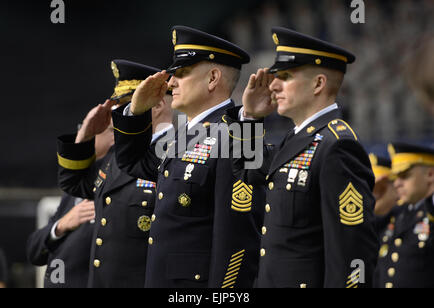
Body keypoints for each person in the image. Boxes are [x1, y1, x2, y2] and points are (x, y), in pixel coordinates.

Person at [224, 27, 379, 288]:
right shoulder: (297, 138)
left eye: (285, 76)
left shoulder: (336, 146)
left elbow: (352, 251)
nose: (273, 85)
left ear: (318, 83)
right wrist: (249, 118)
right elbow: (249, 170)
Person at [111, 26, 264, 288]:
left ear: (213, 77)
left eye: (181, 74)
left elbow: (236, 240)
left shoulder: (238, 137)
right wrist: (135, 112)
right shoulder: (184, 136)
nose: (171, 83)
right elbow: (132, 163)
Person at [56, 60, 173, 288]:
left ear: (157, 104)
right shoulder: (115, 155)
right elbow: (74, 185)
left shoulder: (174, 153)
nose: (115, 114)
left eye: (126, 106)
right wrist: (85, 136)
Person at [26, 105, 114, 288]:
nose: (83, 133)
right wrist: (61, 225)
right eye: (82, 127)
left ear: (114, 137)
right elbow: (34, 250)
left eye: (93, 128)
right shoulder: (75, 188)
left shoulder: (117, 188)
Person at [374, 142, 434, 288]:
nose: (397, 184)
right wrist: (373, 196)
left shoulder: (430, 212)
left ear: (430, 174)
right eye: (394, 178)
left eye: (404, 176)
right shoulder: (400, 215)